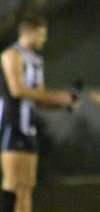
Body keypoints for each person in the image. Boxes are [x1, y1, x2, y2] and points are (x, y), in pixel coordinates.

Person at [0, 15, 79, 212]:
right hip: (13, 124)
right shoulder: (11, 54)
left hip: (30, 128)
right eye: (42, 34)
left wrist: (64, 103)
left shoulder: (36, 59)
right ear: (31, 32)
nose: (44, 39)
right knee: (11, 185)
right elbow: (17, 90)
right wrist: (58, 96)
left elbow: (40, 100)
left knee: (27, 186)